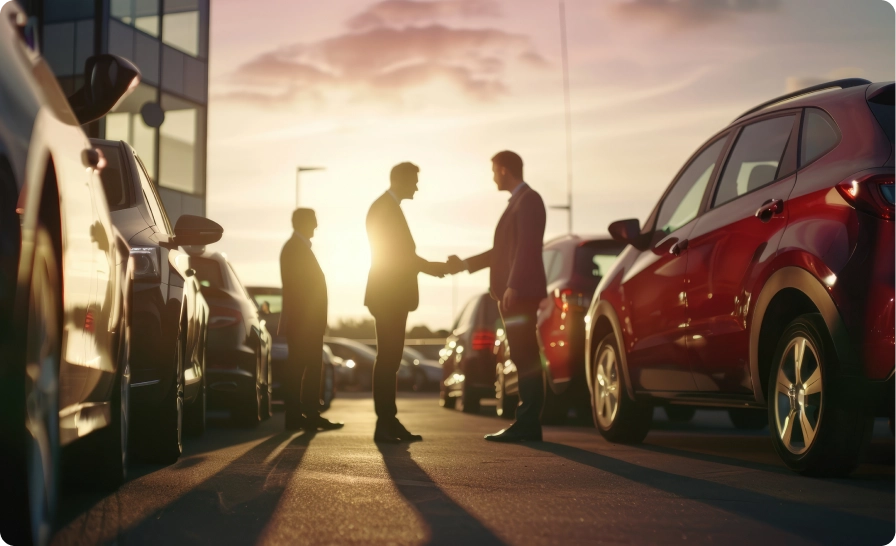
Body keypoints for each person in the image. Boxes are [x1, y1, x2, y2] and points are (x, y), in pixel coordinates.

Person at [447, 151, 547, 442]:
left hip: (518, 294)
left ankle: (528, 423)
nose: (492, 177)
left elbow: (527, 247)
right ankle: (527, 422)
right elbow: (502, 252)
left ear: (504, 170)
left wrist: (513, 285)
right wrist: (464, 265)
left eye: (494, 170)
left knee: (525, 355)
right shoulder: (519, 202)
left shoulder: (528, 200)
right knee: (521, 353)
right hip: (514, 293)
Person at [365, 162, 448, 443]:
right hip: (389, 295)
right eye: (414, 180)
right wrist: (434, 267)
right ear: (401, 180)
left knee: (390, 359)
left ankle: (388, 420)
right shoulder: (385, 208)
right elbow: (400, 256)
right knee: (388, 359)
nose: (417, 186)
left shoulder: (386, 207)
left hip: (390, 295)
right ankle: (385, 423)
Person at [279, 208, 343, 431]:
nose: (316, 225)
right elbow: (297, 289)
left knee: (306, 368)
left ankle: (304, 415)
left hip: (306, 323)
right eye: (314, 221)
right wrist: (308, 321)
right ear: (304, 222)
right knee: (303, 369)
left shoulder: (297, 248)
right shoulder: (295, 249)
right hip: (303, 323)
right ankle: (304, 416)